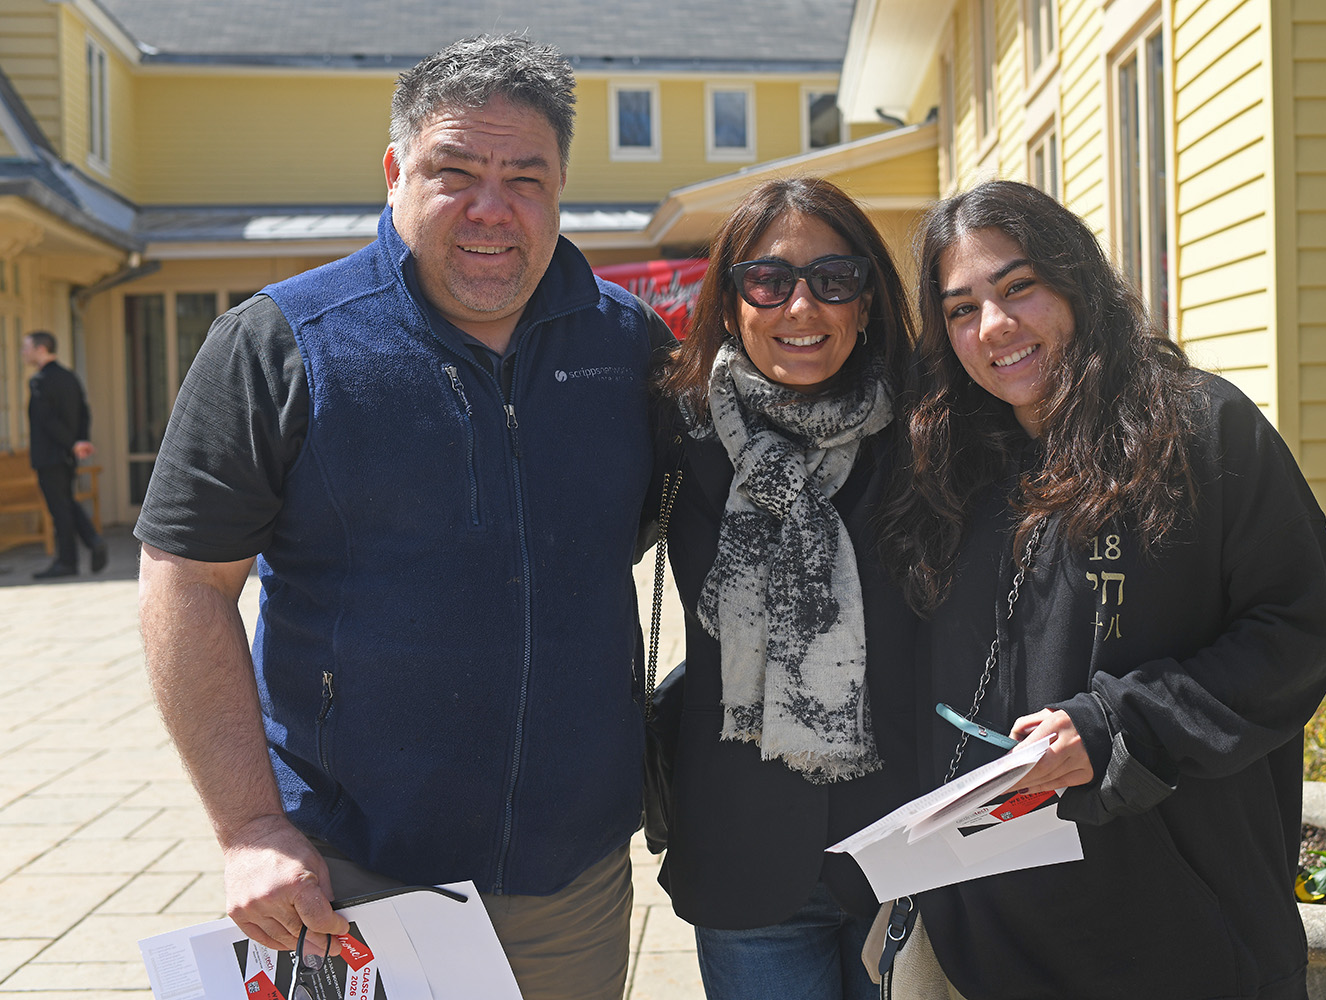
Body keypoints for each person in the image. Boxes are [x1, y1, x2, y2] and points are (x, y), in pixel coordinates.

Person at [135, 34, 672, 1000]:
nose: (490, 210)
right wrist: (251, 827)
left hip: (573, 881)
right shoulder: (280, 342)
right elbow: (185, 582)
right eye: (454, 171)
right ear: (395, 172)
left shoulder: (629, 344)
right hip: (351, 876)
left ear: (561, 186)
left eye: (525, 177)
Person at [880, 181, 1326, 999]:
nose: (994, 327)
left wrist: (1113, 726)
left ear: (1076, 279)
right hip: (990, 946)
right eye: (961, 309)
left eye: (1018, 287)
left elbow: (1294, 636)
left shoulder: (1200, 432)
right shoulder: (948, 468)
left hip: (1187, 945)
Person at [653, 177, 919, 1000]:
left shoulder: (930, 441)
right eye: (768, 282)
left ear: (867, 304)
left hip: (907, 854)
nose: (800, 307)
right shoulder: (678, 438)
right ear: (731, 306)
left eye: (832, 280)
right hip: (743, 857)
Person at [22, 330, 107, 579]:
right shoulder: (70, 376)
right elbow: (84, 412)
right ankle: (92, 542)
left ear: (41, 349)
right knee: (66, 502)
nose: (23, 353)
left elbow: (47, 421)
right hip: (68, 455)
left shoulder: (39, 381)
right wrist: (80, 441)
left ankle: (68, 560)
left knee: (59, 508)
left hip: (50, 456)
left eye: (26, 348)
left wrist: (73, 443)